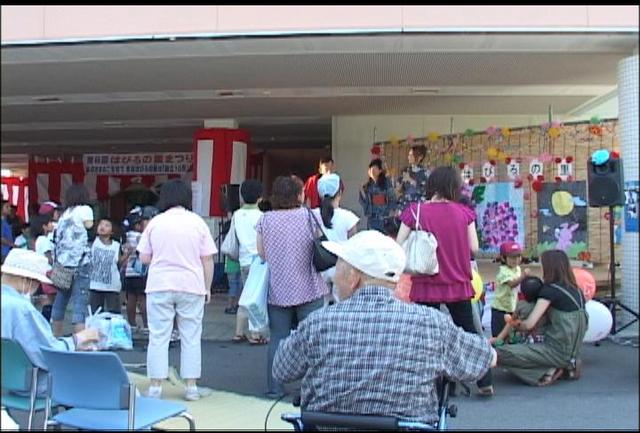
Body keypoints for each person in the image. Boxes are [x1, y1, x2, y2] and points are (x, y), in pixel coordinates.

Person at [273, 230, 496, 425]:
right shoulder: (431, 324)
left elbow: (281, 369)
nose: (334, 275)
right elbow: (484, 360)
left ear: (353, 277)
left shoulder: (318, 323)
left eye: (339, 266)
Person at [395, 166, 494, 396]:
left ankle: (427, 385)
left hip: (425, 283)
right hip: (457, 282)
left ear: (432, 186)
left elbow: (397, 246)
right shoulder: (464, 212)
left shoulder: (415, 211)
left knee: (423, 335)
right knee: (469, 331)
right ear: (454, 187)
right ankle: (484, 381)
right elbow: (474, 248)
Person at [137, 179, 217, 401]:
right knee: (191, 335)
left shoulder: (155, 222)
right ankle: (191, 387)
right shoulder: (197, 222)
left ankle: (155, 388)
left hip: (159, 284)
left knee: (158, 335)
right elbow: (208, 259)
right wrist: (207, 287)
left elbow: (143, 257)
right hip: (191, 285)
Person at [257, 175, 329, 398]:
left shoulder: (265, 220)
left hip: (279, 289)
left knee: (278, 337)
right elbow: (321, 242)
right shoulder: (309, 215)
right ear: (299, 195)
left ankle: (274, 388)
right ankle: (313, 388)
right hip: (309, 287)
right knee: (312, 337)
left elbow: (261, 253)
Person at [1, 248, 99, 395]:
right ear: (28, 281)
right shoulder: (22, 310)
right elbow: (49, 355)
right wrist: (79, 339)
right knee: (97, 377)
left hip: (7, 379)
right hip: (30, 383)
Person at [496, 250, 588, 386]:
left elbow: (529, 324)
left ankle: (546, 370)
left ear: (549, 267)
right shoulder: (576, 290)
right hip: (574, 352)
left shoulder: (550, 291)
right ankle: (562, 366)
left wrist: (513, 323)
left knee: (499, 354)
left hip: (555, 351)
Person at [51, 184, 94, 337]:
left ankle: (55, 336)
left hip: (63, 264)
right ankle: (82, 344)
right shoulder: (85, 210)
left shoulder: (64, 215)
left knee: (60, 301)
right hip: (80, 263)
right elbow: (89, 225)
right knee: (79, 303)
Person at [312, 173, 359, 303]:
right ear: (339, 192)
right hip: (341, 267)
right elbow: (353, 245)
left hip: (319, 269)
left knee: (321, 307)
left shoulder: (312, 215)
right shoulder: (349, 217)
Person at [231, 179, 267, 345]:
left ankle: (238, 332)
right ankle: (255, 334)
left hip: (243, 260)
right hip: (259, 262)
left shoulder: (236, 215)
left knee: (245, 295)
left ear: (242, 196)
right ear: (260, 198)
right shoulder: (262, 217)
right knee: (256, 298)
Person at [490, 276, 547, 347]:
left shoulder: (521, 305)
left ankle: (499, 340)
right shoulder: (544, 304)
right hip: (542, 339)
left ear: (523, 294)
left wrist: (508, 320)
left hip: (524, 339)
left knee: (509, 323)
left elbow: (512, 322)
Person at [491, 241, 531, 337]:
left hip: (511, 307)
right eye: (512, 257)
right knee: (499, 333)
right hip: (500, 309)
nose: (516, 260)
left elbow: (517, 289)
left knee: (510, 333)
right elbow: (512, 284)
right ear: (503, 258)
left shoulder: (517, 269)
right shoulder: (503, 271)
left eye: (518, 256)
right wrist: (523, 276)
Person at [89, 218, 126, 315]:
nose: (102, 227)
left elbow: (118, 262)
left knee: (113, 313)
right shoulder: (93, 242)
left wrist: (128, 253)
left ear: (112, 231)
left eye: (107, 225)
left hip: (112, 286)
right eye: (101, 224)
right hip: (95, 284)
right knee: (96, 313)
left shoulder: (116, 245)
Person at [122, 207, 147, 331]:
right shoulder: (140, 237)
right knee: (142, 299)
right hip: (140, 272)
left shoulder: (126, 236)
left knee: (131, 298)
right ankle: (146, 325)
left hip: (128, 272)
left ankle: (131, 324)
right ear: (137, 225)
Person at [31, 213, 57, 322]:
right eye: (50, 223)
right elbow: (49, 258)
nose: (52, 225)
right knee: (50, 299)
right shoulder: (44, 240)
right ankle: (46, 320)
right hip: (48, 271)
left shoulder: (39, 240)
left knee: (50, 299)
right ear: (44, 226)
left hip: (43, 271)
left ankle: (46, 319)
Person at [359, 158, 397, 234]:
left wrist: (390, 211)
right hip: (372, 220)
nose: (372, 170)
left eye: (375, 168)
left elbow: (392, 199)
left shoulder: (386, 183)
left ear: (380, 170)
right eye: (371, 168)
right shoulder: (367, 186)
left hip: (384, 220)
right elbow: (363, 201)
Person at [395, 145, 430, 213]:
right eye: (409, 155)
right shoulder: (406, 170)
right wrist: (400, 184)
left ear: (420, 157)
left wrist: (410, 180)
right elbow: (399, 189)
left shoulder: (425, 173)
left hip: (418, 207)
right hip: (404, 205)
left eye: (412, 155)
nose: (409, 157)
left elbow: (425, 191)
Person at [1, 199, 15, 264]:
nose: (10, 208)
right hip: (3, 253)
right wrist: (12, 245)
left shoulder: (6, 221)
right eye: (7, 207)